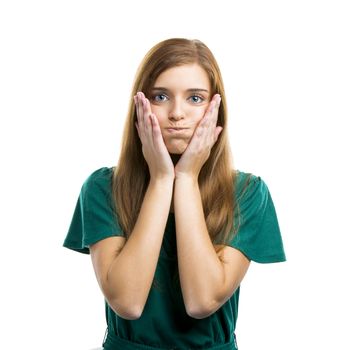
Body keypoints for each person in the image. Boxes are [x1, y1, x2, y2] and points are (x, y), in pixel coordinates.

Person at [63, 38, 286, 350]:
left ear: (215, 110)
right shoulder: (103, 188)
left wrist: (188, 178)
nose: (176, 113)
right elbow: (127, 302)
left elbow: (202, 300)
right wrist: (161, 179)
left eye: (195, 98)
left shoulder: (247, 193)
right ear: (139, 105)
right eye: (160, 96)